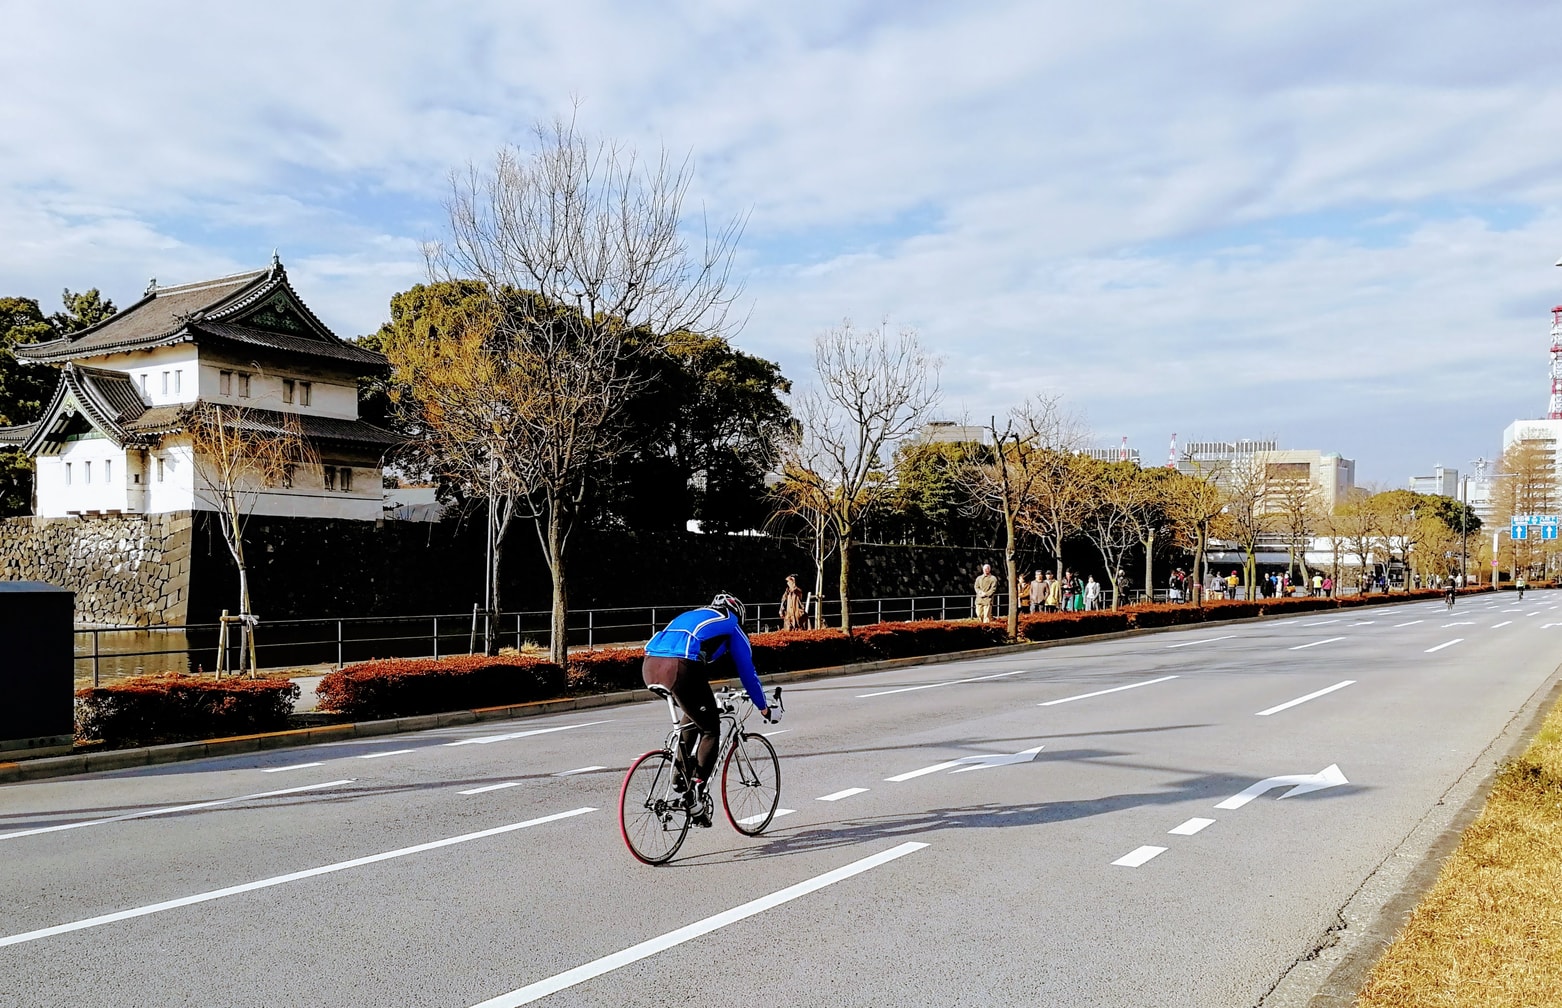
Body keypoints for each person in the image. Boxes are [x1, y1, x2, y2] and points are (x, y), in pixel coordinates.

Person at [642, 593, 774, 828]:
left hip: (650, 665)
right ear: (739, 613)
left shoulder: (696, 615)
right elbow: (747, 673)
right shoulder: (732, 623)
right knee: (712, 728)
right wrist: (764, 708)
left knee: (692, 716)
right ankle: (696, 794)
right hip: (680, 666)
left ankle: (680, 779)